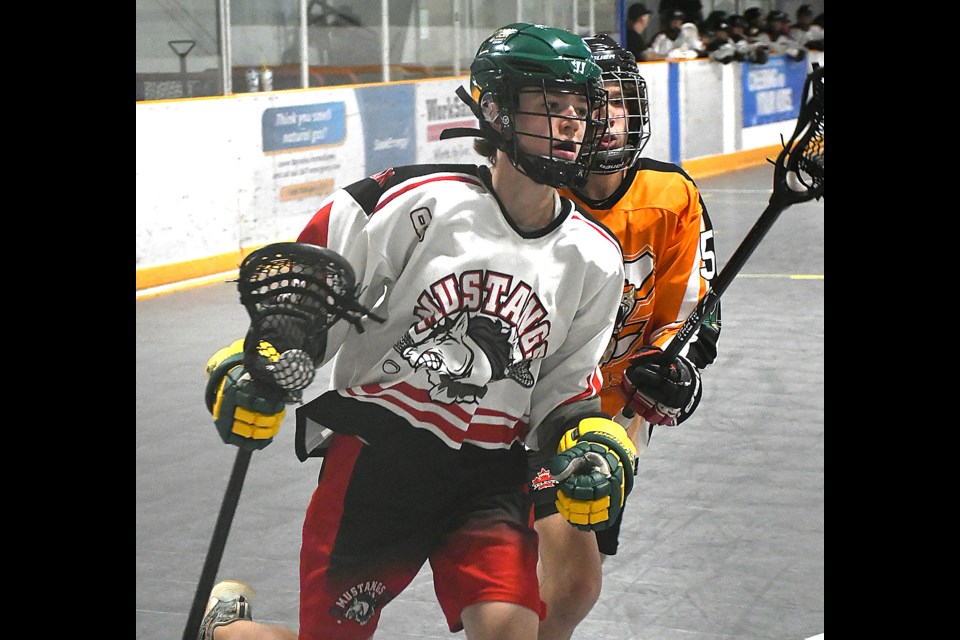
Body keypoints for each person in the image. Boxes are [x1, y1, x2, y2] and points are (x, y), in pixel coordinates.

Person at [196, 22, 635, 640]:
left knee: (513, 630)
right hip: (379, 461)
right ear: (498, 111)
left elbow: (564, 390)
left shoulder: (595, 257)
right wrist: (260, 361)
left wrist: (588, 442)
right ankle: (226, 631)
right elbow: (306, 298)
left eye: (581, 109)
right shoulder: (407, 201)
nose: (570, 123)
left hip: (490, 472)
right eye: (550, 105)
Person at [529, 34, 721, 640]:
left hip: (606, 420)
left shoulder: (671, 195)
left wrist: (673, 365)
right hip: (519, 412)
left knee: (575, 586)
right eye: (588, 103)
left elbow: (691, 312)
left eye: (615, 100)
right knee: (529, 587)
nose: (605, 117)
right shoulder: (533, 193)